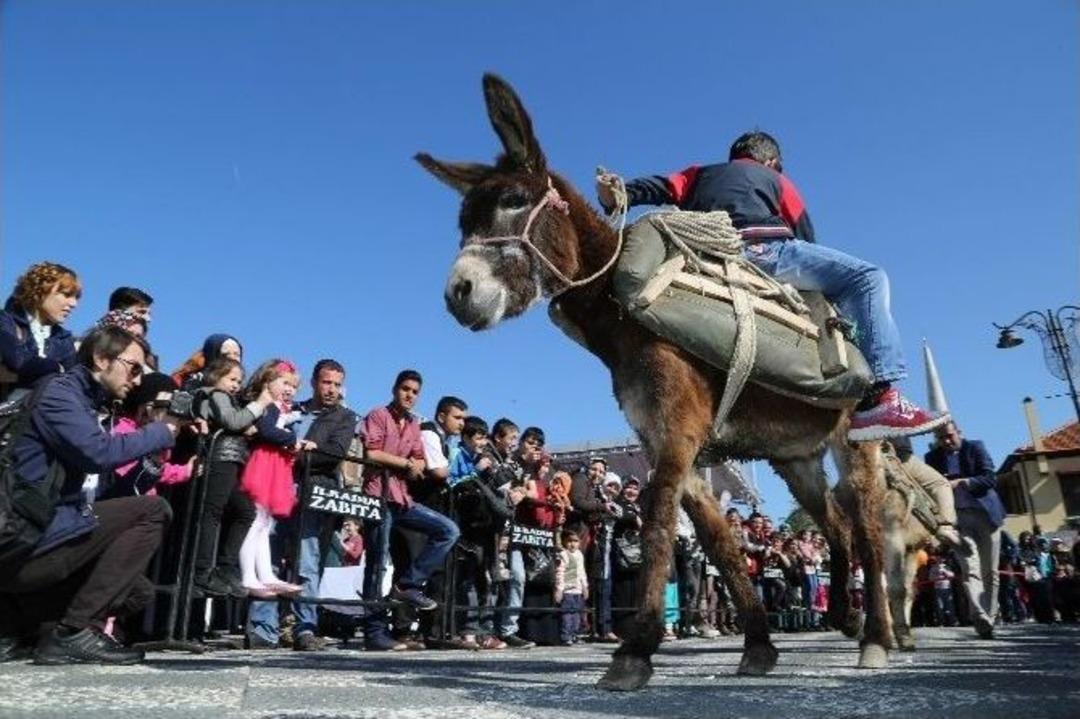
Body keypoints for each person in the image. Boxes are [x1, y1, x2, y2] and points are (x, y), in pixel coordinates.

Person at [597, 131, 947, 441]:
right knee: (867, 278)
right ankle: (882, 398)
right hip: (765, 252)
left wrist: (617, 192)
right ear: (773, 161)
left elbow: (653, 188)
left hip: (701, 253)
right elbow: (806, 237)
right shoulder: (775, 179)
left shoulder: (698, 173)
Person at [0, 325, 179, 664]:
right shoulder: (60, 394)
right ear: (100, 358)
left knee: (136, 590)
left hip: (43, 536)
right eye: (134, 368)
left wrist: (153, 460)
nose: (138, 381)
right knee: (153, 510)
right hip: (23, 540)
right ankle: (72, 632)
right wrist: (159, 432)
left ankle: (19, 627)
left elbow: (115, 490)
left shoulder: (88, 402)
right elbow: (97, 453)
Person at [247, 358, 358, 651]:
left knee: (307, 561)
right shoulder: (292, 406)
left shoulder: (345, 417)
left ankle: (304, 628)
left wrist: (292, 452)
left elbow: (333, 453)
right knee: (267, 555)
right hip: (275, 485)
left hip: (312, 492)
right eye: (326, 382)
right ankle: (262, 628)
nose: (332, 389)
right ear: (314, 382)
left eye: (337, 384)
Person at [358, 370, 460, 651]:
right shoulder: (378, 414)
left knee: (447, 530)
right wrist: (405, 464)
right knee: (377, 564)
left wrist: (410, 464)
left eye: (415, 391)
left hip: (402, 498)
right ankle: (374, 631)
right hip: (378, 494)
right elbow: (372, 453)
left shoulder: (415, 424)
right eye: (405, 389)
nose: (409, 395)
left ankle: (408, 585)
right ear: (394, 389)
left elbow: (418, 458)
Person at [190, 356, 272, 598]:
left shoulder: (227, 398)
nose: (236, 384)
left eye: (239, 380)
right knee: (212, 513)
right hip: (220, 458)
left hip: (234, 460)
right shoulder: (216, 394)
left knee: (245, 511)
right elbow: (232, 421)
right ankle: (202, 570)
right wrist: (259, 404)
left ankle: (226, 567)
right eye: (232, 378)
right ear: (216, 376)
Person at [925, 421, 1006, 638]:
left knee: (991, 571)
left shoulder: (976, 448)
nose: (947, 441)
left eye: (950, 436)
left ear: (959, 432)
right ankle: (979, 615)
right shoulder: (931, 459)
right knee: (969, 568)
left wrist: (963, 482)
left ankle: (989, 614)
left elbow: (990, 478)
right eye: (941, 438)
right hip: (958, 520)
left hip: (986, 516)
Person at [237, 359, 310, 597]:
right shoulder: (267, 405)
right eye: (285, 383)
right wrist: (291, 439)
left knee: (265, 523)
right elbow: (267, 431)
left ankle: (265, 573)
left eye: (294, 386)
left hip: (274, 464)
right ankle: (249, 575)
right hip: (264, 463)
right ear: (268, 381)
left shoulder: (279, 408)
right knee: (256, 521)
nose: (290, 389)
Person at [449, 415, 511, 650]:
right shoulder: (457, 454)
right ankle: (468, 631)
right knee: (469, 580)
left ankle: (485, 631)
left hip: (485, 525)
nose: (482, 442)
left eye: (484, 437)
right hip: (466, 525)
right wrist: (475, 471)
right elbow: (453, 484)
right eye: (478, 437)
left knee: (486, 579)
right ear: (466, 437)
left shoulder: (484, 457)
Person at [0, 262, 81, 398]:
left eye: (76, 297)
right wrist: (56, 367)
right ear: (40, 291)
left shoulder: (63, 338)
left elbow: (74, 382)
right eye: (66, 295)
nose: (74, 303)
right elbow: (18, 360)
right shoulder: (5, 321)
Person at [171, 333, 244, 392]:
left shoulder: (240, 389)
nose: (232, 358)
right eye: (226, 355)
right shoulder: (192, 383)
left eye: (236, 354)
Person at [555, 529, 588, 645]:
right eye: (569, 541)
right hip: (567, 590)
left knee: (577, 614)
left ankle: (575, 634)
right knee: (567, 614)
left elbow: (582, 572)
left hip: (578, 590)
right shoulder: (563, 555)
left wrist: (585, 587)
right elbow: (560, 573)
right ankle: (566, 636)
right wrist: (559, 590)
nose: (573, 544)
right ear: (564, 541)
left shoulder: (579, 555)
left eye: (576, 541)